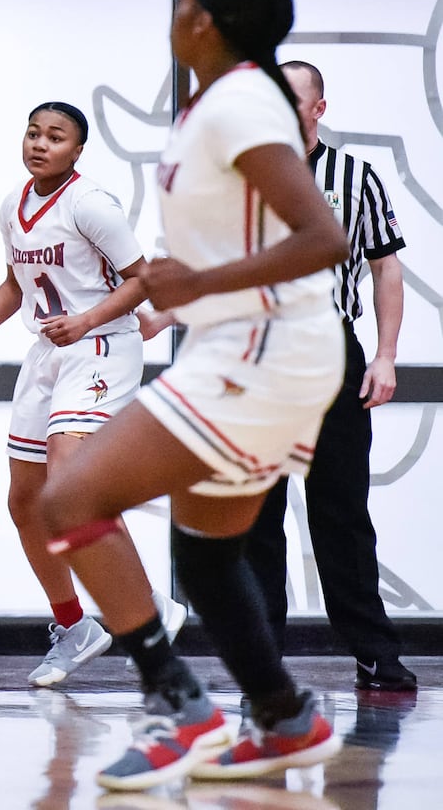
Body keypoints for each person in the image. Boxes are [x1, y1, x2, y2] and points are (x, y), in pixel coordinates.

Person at [36, 0, 351, 790]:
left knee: (69, 497)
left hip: (264, 348)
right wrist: (183, 286)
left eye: (180, 2)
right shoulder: (219, 102)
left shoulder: (242, 100)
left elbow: (324, 237)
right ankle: (283, 716)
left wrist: (197, 283)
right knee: (208, 556)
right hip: (250, 344)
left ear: (205, 19)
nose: (172, 13)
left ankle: (177, 703)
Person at [0, 101, 186, 688]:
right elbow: (15, 285)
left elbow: (141, 280)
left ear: (77, 151)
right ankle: (74, 626)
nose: (40, 143)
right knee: (25, 500)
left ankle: (149, 601)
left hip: (102, 345)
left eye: (56, 136)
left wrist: (87, 320)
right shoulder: (12, 205)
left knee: (69, 477)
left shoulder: (90, 204)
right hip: (48, 351)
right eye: (33, 132)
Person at [244, 60, 415, 692]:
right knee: (255, 514)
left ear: (319, 107)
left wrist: (386, 353)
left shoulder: (356, 176)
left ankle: (374, 651)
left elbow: (385, 271)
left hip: (329, 349)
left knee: (340, 509)